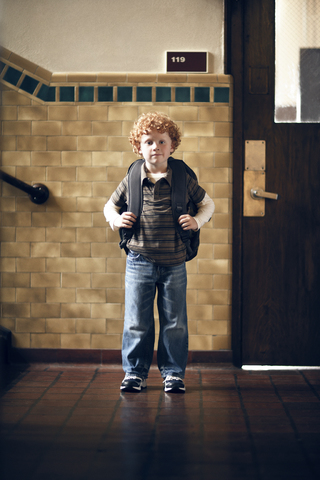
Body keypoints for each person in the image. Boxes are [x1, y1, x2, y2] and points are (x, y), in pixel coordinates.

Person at [104, 112, 215, 393]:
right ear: (138, 147)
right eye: (149, 142)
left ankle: (174, 374)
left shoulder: (182, 179)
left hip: (175, 262)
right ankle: (134, 373)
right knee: (136, 321)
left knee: (175, 322)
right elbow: (109, 207)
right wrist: (116, 220)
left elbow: (208, 204)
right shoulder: (131, 179)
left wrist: (197, 221)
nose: (156, 147)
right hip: (138, 260)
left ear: (172, 146)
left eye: (162, 141)